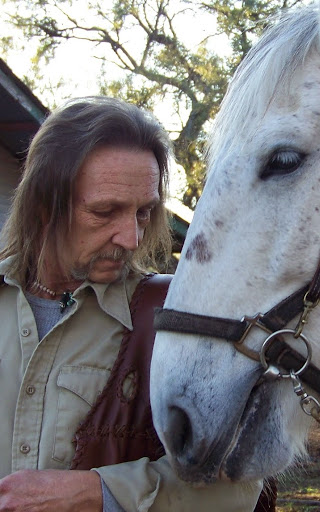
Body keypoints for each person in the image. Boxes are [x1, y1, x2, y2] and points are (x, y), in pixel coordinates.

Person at [0, 96, 265, 511]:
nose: (132, 238)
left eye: (144, 212)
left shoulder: (174, 317)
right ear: (41, 205)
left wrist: (101, 494)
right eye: (105, 212)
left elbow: (242, 484)